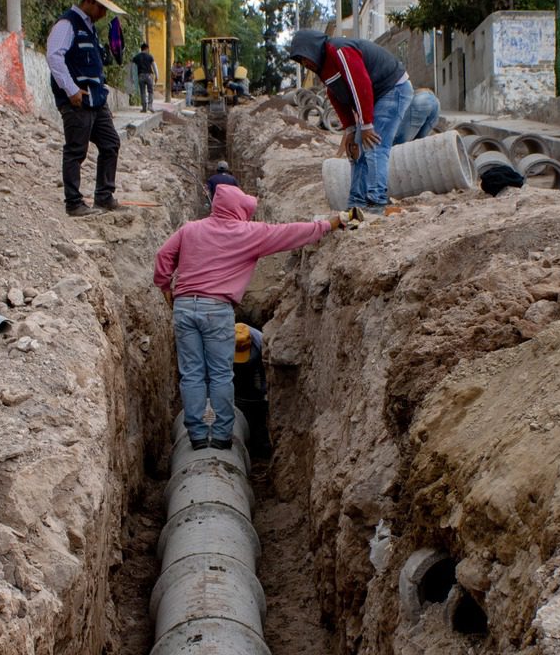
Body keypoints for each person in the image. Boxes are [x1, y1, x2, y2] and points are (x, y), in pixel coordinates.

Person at [154, 185, 344, 449]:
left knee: (191, 375)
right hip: (216, 309)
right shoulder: (249, 233)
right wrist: (328, 225)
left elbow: (163, 256)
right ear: (240, 209)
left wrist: (165, 285)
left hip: (184, 306)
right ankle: (221, 436)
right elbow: (290, 233)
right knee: (220, 374)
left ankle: (196, 436)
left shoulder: (190, 229)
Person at [287, 29, 435, 213]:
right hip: (375, 96)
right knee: (356, 148)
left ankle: (376, 203)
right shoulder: (323, 67)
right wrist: (350, 130)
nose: (304, 64)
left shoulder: (339, 51)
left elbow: (360, 84)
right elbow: (335, 96)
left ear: (312, 48)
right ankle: (356, 203)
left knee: (374, 145)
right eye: (300, 61)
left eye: (304, 58)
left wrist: (365, 124)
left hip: (392, 89)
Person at [46, 0, 125, 217]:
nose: (103, 13)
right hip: (77, 101)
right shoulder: (67, 24)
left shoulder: (89, 28)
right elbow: (54, 57)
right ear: (89, 2)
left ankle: (104, 196)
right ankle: (74, 203)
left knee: (110, 143)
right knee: (76, 150)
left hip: (96, 101)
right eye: (101, 7)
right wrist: (70, 89)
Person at [232, 323, 272, 460]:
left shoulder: (261, 341)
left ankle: (260, 448)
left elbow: (265, 372)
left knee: (258, 412)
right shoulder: (219, 340)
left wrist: (263, 393)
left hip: (255, 368)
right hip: (233, 372)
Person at [134, 42, 158, 113]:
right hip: (149, 76)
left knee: (142, 92)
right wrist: (157, 76)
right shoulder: (150, 56)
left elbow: (132, 63)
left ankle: (144, 108)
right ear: (147, 48)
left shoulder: (137, 57)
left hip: (140, 75)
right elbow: (154, 66)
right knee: (150, 91)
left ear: (141, 49)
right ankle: (150, 106)